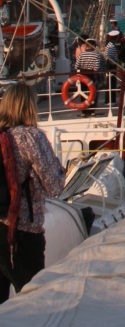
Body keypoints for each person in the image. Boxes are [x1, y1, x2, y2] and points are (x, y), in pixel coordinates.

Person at [0, 82, 65, 302]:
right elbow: (55, 186)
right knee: (32, 303)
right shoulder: (31, 137)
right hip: (23, 233)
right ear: (29, 106)